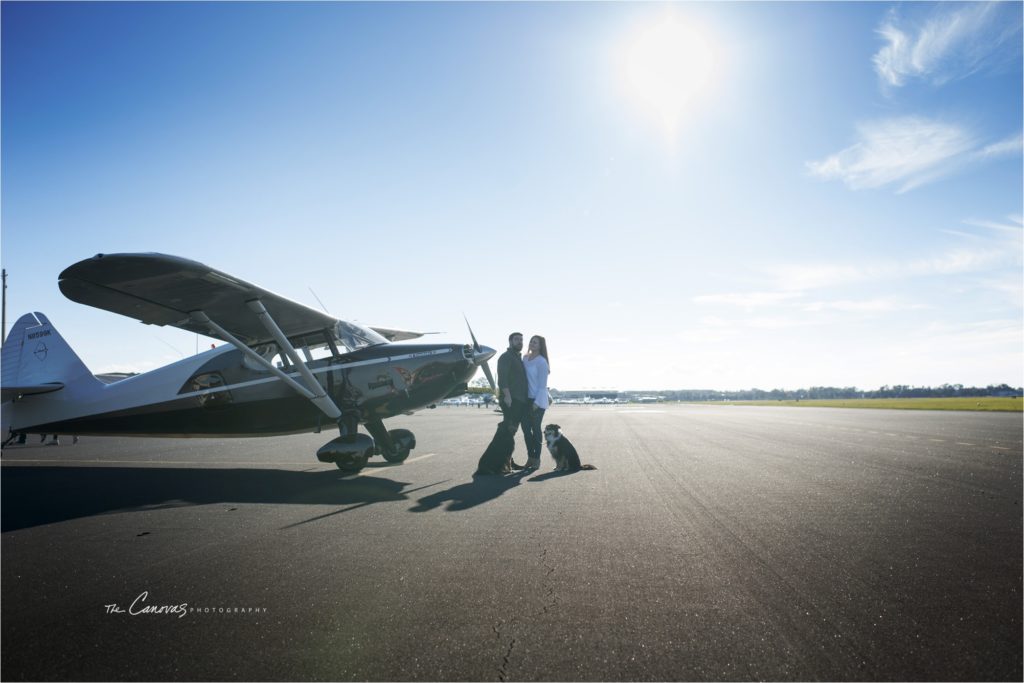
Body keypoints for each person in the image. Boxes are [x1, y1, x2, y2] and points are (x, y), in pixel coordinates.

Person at [496, 331, 529, 471]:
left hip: (519, 399)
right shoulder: (505, 357)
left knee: (511, 432)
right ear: (510, 341)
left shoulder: (518, 358)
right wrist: (507, 396)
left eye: (521, 340)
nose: (520, 342)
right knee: (508, 431)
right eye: (516, 339)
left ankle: (507, 461)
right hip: (511, 400)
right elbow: (502, 378)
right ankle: (503, 463)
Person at [520, 335, 550, 469]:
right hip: (525, 399)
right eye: (531, 341)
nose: (532, 344)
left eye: (535, 342)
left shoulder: (542, 362)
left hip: (538, 399)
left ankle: (537, 459)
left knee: (536, 429)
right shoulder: (525, 358)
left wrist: (536, 403)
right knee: (526, 430)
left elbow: (543, 386)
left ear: (540, 346)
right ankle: (530, 458)